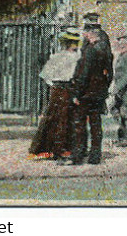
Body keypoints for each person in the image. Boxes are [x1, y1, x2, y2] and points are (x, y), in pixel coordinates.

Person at [67, 16, 113, 165]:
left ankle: (78, 155)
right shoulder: (106, 50)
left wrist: (76, 93)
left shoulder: (90, 51)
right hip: (98, 94)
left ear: (91, 34)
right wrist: (104, 88)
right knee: (95, 125)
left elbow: (84, 74)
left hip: (85, 94)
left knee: (79, 124)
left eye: (85, 33)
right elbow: (110, 74)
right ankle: (95, 156)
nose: (84, 36)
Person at [29, 31, 80, 160]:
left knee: (63, 118)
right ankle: (58, 149)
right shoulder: (65, 57)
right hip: (63, 89)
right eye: (72, 43)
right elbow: (46, 74)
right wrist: (56, 84)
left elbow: (45, 76)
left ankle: (62, 149)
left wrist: (53, 85)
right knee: (60, 118)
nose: (74, 46)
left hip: (63, 89)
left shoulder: (72, 57)